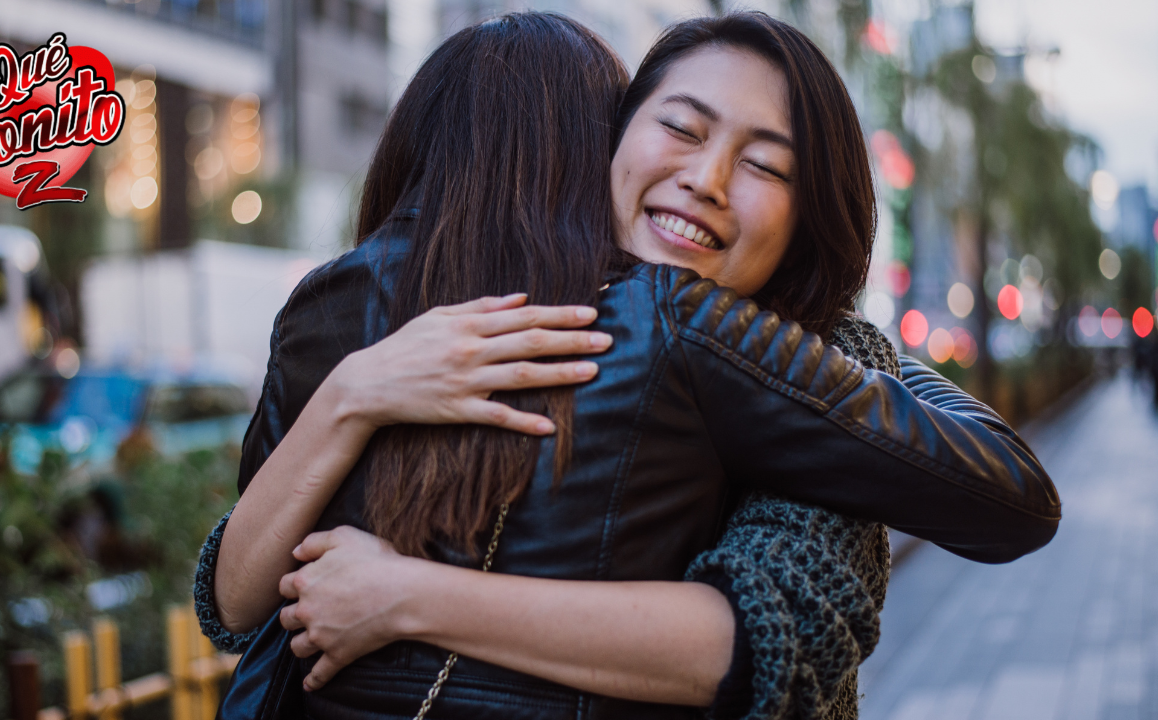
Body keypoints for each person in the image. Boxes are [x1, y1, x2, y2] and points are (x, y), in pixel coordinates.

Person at [196, 12, 1059, 719]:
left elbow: (765, 639)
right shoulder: (537, 327)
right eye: (679, 128)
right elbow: (240, 601)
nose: (707, 178)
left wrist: (844, 340)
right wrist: (354, 393)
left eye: (764, 165)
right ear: (606, 142)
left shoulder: (755, 351)